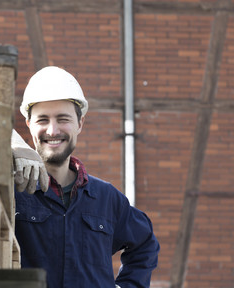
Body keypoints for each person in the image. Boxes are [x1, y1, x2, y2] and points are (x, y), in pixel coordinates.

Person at [11, 66, 160, 288]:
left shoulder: (107, 198)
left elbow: (145, 243)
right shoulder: (13, 190)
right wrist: (11, 144)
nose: (52, 130)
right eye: (43, 120)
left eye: (63, 119)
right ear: (28, 125)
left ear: (80, 124)